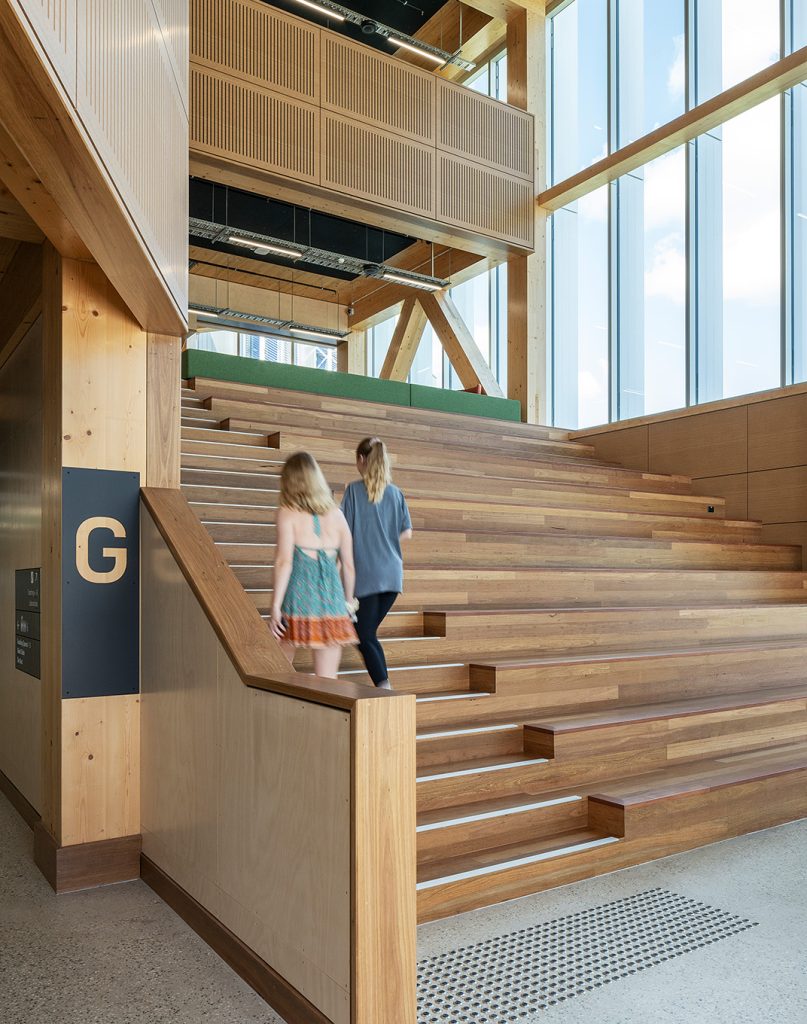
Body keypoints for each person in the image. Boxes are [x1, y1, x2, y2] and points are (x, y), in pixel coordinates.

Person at [270, 452, 358, 679]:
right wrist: (348, 603)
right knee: (328, 682)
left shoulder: (287, 513)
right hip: (332, 603)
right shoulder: (338, 516)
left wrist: (275, 606)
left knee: (278, 672)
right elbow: (348, 566)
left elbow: (284, 562)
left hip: (297, 600)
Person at [341, 437, 412, 690]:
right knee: (363, 632)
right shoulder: (396, 494)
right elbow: (407, 532)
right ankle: (384, 686)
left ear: (362, 460)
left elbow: (343, 531)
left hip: (368, 577)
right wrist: (385, 537)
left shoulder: (352, 491)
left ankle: (385, 687)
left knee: (363, 633)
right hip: (392, 577)